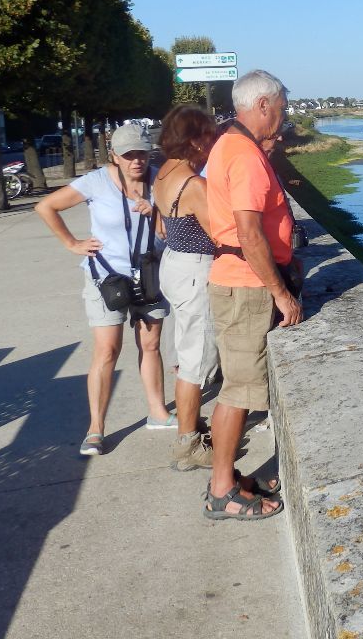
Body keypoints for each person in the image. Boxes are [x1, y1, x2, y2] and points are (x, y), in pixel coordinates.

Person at [35, 124, 175, 456]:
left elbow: (174, 231)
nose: (136, 161)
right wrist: (72, 243)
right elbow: (46, 207)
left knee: (151, 344)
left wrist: (154, 212)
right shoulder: (95, 182)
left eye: (141, 153)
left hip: (150, 273)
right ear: (114, 156)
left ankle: (157, 413)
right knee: (107, 351)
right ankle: (96, 428)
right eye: (128, 156)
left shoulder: (161, 180)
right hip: (106, 276)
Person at [203, 69, 301, 519]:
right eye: (281, 105)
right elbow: (248, 233)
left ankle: (228, 476)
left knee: (238, 386)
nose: (283, 114)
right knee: (238, 391)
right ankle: (221, 491)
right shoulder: (242, 154)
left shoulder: (230, 144)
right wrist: (281, 293)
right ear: (263, 104)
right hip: (246, 286)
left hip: (237, 280)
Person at [153, 105, 221, 471]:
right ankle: (188, 444)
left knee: (185, 348)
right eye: (208, 136)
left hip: (175, 264)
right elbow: (222, 236)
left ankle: (189, 425)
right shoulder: (195, 185)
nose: (212, 144)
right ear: (195, 140)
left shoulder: (163, 174)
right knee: (196, 360)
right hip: (196, 270)